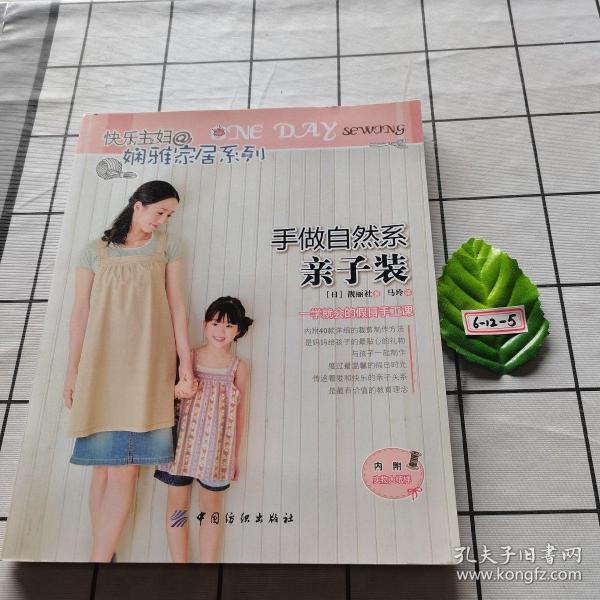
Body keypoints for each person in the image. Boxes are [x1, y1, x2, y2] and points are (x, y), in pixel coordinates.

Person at [63, 180, 196, 562]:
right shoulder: (95, 251)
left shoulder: (168, 247)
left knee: (125, 470)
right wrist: (72, 372)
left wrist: (185, 365)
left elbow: (178, 308)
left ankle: (96, 563)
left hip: (148, 366)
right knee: (102, 469)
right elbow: (79, 314)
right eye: (160, 212)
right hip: (101, 367)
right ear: (138, 205)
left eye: (169, 215)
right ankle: (102, 557)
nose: (163, 220)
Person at [154, 296, 252, 563]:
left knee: (211, 508)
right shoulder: (188, 357)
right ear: (205, 324)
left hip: (217, 450)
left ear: (238, 331)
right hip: (180, 446)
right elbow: (166, 395)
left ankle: (207, 570)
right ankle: (180, 567)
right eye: (215, 323)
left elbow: (240, 414)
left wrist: (234, 456)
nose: (221, 331)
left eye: (229, 325)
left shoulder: (239, 368)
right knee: (177, 505)